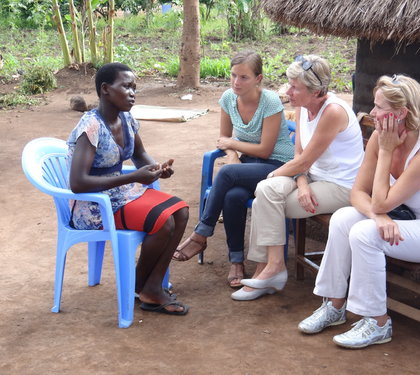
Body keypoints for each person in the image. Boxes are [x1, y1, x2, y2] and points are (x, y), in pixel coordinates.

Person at [297, 74, 420, 349]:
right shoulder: (380, 137)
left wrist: (387, 153)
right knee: (344, 219)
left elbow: (380, 203)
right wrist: (378, 215)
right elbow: (358, 193)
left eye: (380, 108)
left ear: (401, 113)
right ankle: (334, 305)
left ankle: (378, 323)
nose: (374, 113)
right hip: (410, 218)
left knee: (367, 234)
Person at [231, 54, 364, 301]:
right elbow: (300, 154)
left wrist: (273, 173)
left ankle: (268, 270)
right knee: (267, 191)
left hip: (341, 186)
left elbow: (302, 161)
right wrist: (301, 182)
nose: (288, 92)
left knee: (266, 196)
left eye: (295, 87)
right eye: (289, 84)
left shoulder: (333, 112)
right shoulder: (302, 107)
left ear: (316, 92)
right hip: (311, 175)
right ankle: (271, 268)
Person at [67, 62, 190, 315]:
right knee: (163, 222)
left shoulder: (126, 119)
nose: (133, 93)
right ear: (105, 89)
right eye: (126, 86)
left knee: (181, 212)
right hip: (93, 206)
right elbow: (78, 183)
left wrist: (157, 169)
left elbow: (140, 154)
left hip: (120, 195)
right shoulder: (91, 126)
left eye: (134, 87)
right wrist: (132, 177)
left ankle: (149, 285)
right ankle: (144, 287)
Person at [172, 50, 295, 288]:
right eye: (233, 76)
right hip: (247, 165)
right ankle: (236, 262)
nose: (236, 82)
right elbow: (223, 138)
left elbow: (266, 150)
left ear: (258, 79)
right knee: (233, 196)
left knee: (227, 175)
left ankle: (201, 234)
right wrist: (231, 154)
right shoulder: (228, 98)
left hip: (277, 166)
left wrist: (232, 145)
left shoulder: (269, 101)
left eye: (244, 77)